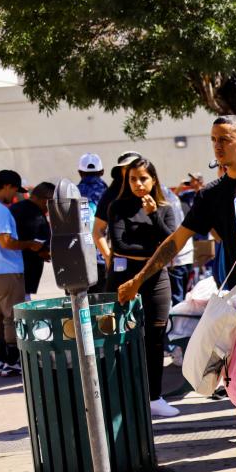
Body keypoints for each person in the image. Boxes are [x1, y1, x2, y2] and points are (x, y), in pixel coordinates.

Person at [116, 116, 236, 472]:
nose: (217, 146)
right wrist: (139, 279)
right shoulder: (211, 195)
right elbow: (177, 241)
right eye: (213, 140)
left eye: (224, 139)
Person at [104, 157, 178, 417]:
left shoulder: (164, 207)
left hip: (157, 281)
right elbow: (120, 245)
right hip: (124, 281)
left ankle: (155, 397)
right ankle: (125, 396)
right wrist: (157, 253)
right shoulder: (118, 207)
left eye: (143, 178)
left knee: (155, 340)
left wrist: (153, 215)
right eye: (133, 179)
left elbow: (172, 241)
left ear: (153, 180)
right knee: (121, 338)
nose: (138, 184)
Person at [0, 170, 41, 376]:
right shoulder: (1, 211)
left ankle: (1, 361)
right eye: (14, 190)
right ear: (7, 186)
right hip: (9, 270)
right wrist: (30, 244)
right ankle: (13, 361)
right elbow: (6, 241)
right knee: (12, 317)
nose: (15, 196)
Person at [93, 150, 142, 290]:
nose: (131, 172)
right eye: (127, 168)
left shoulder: (149, 191)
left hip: (148, 264)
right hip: (121, 264)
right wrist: (108, 257)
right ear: (120, 171)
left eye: (135, 166)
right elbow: (97, 230)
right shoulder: (111, 195)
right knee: (119, 306)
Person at [10, 182, 53, 297]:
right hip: (23, 274)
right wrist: (44, 252)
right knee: (22, 310)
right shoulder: (36, 215)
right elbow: (38, 245)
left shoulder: (16, 207)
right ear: (46, 200)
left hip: (11, 272)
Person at [76, 153, 109, 292]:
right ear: (102, 171)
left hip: (77, 257)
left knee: (78, 304)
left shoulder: (72, 193)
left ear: (79, 172)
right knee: (102, 305)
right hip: (103, 256)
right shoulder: (109, 193)